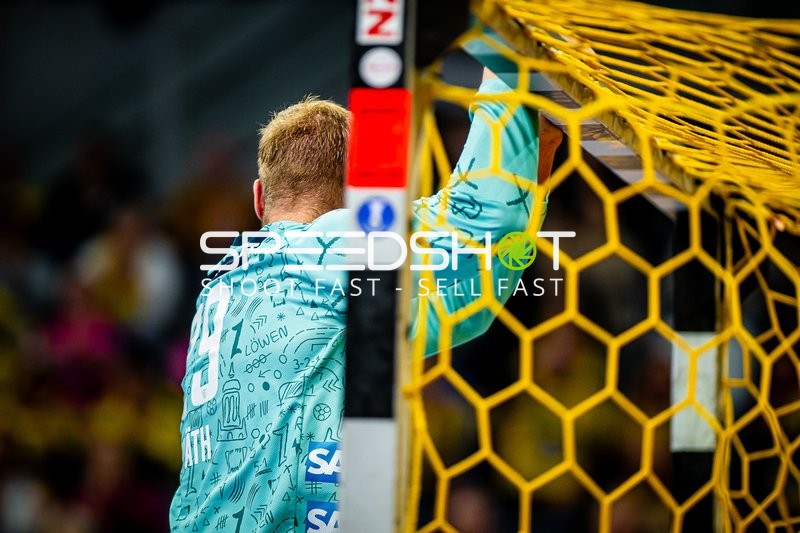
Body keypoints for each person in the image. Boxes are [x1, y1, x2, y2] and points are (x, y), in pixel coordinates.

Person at [169, 69, 563, 532]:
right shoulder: (335, 252)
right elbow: (480, 226)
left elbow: (468, 286)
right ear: (365, 193)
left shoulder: (222, 284)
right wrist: (507, 68)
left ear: (259, 200)